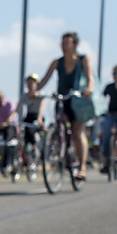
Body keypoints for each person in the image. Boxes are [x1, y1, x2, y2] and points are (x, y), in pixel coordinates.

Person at [36, 32, 94, 182]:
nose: (63, 46)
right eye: (62, 43)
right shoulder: (57, 62)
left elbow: (90, 77)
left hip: (78, 99)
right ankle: (59, 149)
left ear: (75, 44)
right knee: (58, 125)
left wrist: (89, 88)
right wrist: (36, 91)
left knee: (77, 131)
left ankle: (82, 167)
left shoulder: (83, 59)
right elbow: (44, 79)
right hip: (62, 99)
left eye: (66, 43)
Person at [18, 74, 44, 173]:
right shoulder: (24, 96)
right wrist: (11, 117)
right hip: (28, 117)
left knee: (30, 131)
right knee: (22, 135)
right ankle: (24, 158)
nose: (30, 85)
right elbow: (18, 108)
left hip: (36, 117)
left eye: (32, 83)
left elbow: (41, 109)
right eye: (28, 83)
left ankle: (35, 150)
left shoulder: (41, 96)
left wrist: (40, 119)